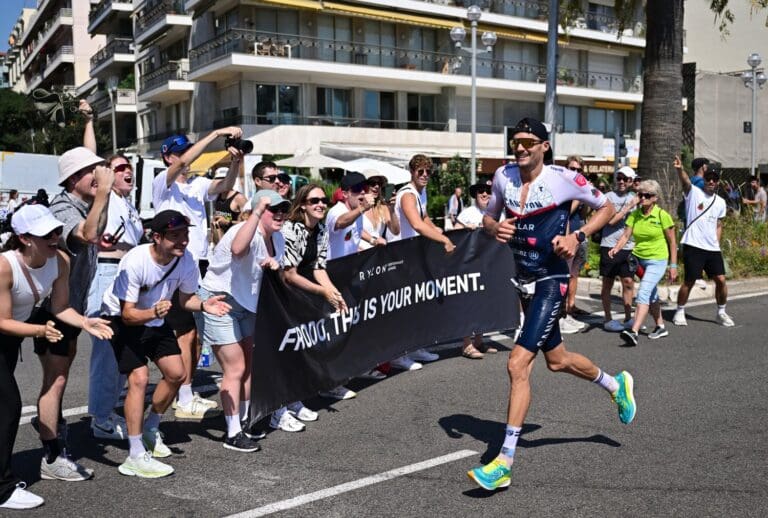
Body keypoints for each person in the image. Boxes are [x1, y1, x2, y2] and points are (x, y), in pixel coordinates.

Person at [468, 117, 633, 491]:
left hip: (552, 279)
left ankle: (504, 461)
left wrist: (577, 235)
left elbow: (605, 206)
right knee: (557, 361)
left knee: (517, 362)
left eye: (529, 141)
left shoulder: (563, 178)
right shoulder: (502, 177)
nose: (521, 147)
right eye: (516, 141)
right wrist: (494, 229)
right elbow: (489, 218)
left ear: (544, 146)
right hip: (524, 280)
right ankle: (615, 384)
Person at [101, 210, 231, 478]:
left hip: (153, 318)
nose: (183, 240)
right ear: (156, 237)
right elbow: (128, 314)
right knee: (138, 378)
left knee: (177, 373)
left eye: (185, 234)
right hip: (121, 319)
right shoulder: (135, 261)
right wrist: (154, 313)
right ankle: (135, 454)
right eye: (175, 235)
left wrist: (204, 305)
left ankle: (150, 427)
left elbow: (185, 300)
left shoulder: (185, 260)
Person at [0, 205, 114, 509]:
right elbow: (2, 320)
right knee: (8, 407)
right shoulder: (5, 265)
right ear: (24, 238)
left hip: (9, 341)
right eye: (46, 233)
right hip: (5, 331)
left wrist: (85, 321)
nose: (55, 236)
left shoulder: (60, 261)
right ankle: (3, 489)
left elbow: (61, 308)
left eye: (56, 230)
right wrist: (39, 330)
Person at [153, 128, 243, 419]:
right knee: (185, 331)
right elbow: (180, 165)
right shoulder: (162, 183)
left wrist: (236, 161)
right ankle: (184, 394)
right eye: (180, 152)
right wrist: (216, 134)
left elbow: (225, 186)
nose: (186, 158)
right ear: (167, 156)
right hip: (174, 263)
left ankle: (185, 392)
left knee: (192, 333)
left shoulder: (196, 184)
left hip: (197, 262)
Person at [36, 145, 113, 481]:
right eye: (91, 171)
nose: (99, 175)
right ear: (73, 179)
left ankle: (54, 431)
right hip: (52, 309)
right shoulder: (62, 208)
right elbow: (86, 235)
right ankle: (52, 457)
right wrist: (105, 193)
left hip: (71, 306)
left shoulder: (87, 202)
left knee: (59, 377)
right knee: (56, 379)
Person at [195, 191, 289, 451]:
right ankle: (232, 432)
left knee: (248, 365)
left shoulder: (277, 238)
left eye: (283, 209)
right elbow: (238, 250)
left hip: (248, 305)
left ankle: (247, 420)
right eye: (274, 209)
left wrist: (275, 267)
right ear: (260, 209)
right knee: (234, 368)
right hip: (219, 301)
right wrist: (256, 212)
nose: (280, 214)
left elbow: (276, 275)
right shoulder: (242, 229)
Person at [86, 153, 144, 441]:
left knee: (122, 349)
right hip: (106, 271)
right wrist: (87, 121)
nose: (126, 172)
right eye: (119, 168)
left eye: (128, 167)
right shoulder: (104, 196)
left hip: (125, 275)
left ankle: (107, 410)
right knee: (106, 351)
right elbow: (92, 157)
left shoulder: (129, 204)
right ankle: (99, 417)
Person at [278, 184, 345, 431]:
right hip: (277, 295)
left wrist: (334, 294)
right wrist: (323, 292)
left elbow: (318, 268)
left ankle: (293, 400)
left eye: (323, 200)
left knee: (300, 351)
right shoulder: (290, 230)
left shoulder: (320, 229)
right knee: (282, 354)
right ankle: (278, 410)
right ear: (302, 204)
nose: (320, 204)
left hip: (299, 295)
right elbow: (289, 274)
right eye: (314, 200)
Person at [389, 154, 455, 371]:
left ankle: (414, 347)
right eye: (421, 172)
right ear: (412, 172)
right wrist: (443, 239)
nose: (425, 175)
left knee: (417, 305)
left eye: (428, 171)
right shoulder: (407, 194)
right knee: (403, 308)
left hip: (414, 256)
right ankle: (398, 354)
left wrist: (438, 230)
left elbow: (424, 217)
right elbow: (417, 225)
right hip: (400, 257)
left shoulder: (421, 193)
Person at [325, 171, 386, 384]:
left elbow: (356, 238)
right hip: (332, 279)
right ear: (344, 193)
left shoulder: (356, 212)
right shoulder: (338, 211)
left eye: (364, 189)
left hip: (349, 278)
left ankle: (352, 369)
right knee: (335, 331)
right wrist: (363, 208)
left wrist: (374, 241)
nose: (362, 194)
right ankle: (331, 382)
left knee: (352, 326)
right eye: (357, 190)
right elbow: (340, 224)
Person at [610, 179, 678, 346]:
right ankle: (660, 326)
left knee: (643, 292)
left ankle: (634, 331)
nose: (643, 198)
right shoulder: (635, 215)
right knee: (652, 294)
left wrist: (673, 266)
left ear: (655, 198)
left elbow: (672, 243)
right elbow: (626, 236)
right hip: (639, 260)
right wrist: (616, 248)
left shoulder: (662, 216)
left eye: (647, 195)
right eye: (640, 194)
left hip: (657, 260)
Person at [671, 156, 734, 327]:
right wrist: (679, 169)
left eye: (714, 179)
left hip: (712, 248)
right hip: (693, 244)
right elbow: (685, 181)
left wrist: (717, 244)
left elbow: (719, 225)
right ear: (704, 179)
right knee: (689, 281)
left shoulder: (720, 203)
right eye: (708, 179)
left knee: (721, 280)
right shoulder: (694, 193)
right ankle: (679, 310)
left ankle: (721, 311)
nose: (711, 181)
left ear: (718, 182)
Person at [454, 182, 498, 359]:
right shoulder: (467, 213)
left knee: (483, 304)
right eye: (481, 191)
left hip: (488, 265)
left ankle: (479, 340)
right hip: (469, 265)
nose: (485, 194)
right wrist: (466, 230)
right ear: (475, 195)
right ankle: (466, 344)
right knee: (468, 304)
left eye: (488, 191)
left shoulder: (496, 214)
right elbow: (454, 235)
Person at [600, 166, 639, 332]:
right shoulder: (607, 197)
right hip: (609, 244)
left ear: (631, 181)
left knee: (628, 282)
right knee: (608, 282)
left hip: (628, 246)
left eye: (625, 179)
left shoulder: (636, 198)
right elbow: (609, 221)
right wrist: (628, 207)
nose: (621, 182)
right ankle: (608, 319)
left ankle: (629, 318)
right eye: (619, 178)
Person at [561, 155, 591, 334]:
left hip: (579, 233)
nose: (576, 172)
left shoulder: (581, 188)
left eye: (579, 170)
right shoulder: (564, 188)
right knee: (564, 274)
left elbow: (583, 212)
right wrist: (579, 197)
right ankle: (562, 313)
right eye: (572, 169)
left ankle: (570, 307)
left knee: (573, 274)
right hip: (567, 236)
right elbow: (567, 211)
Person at [358, 175, 399, 250]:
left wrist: (392, 209)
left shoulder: (383, 207)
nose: (377, 186)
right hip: (359, 252)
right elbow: (355, 229)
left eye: (380, 184)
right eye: (373, 183)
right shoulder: (357, 205)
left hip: (377, 254)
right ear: (365, 185)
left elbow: (395, 231)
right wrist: (374, 240)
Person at [211, 167, 248, 244]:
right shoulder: (217, 196)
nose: (221, 182)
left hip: (237, 241)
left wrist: (229, 222)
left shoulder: (239, 198)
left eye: (224, 179)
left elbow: (249, 222)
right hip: (222, 243)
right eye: (218, 179)